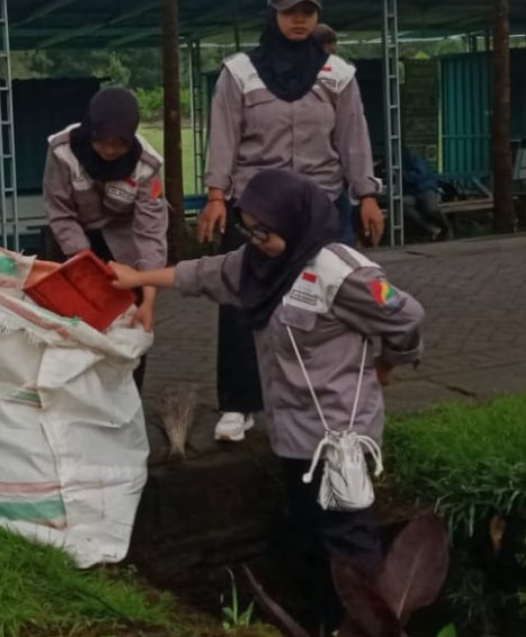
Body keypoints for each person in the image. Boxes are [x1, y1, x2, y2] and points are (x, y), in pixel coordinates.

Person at [110, 170, 424, 632]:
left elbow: (407, 315)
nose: (257, 240)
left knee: (348, 543)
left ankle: (370, 628)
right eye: (249, 229)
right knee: (308, 540)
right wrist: (138, 276)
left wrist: (387, 366)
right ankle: (325, 623)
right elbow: (202, 273)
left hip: (339, 439)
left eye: (266, 231)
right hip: (293, 438)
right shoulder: (257, 265)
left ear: (295, 220)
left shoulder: (341, 272)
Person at [197, 0, 384, 442]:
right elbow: (223, 137)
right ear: (273, 15)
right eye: (289, 12)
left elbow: (353, 138)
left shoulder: (337, 75)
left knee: (329, 301)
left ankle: (329, 399)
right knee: (244, 296)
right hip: (258, 207)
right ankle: (239, 405)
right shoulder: (239, 72)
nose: (299, 20)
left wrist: (367, 195)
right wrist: (217, 195)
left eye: (308, 12)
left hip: (321, 207)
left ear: (317, 15)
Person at [40, 87, 168, 390]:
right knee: (71, 319)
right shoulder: (61, 149)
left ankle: (127, 397)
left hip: (124, 244)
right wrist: (87, 265)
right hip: (71, 241)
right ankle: (70, 395)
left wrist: (148, 298)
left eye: (119, 144)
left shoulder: (147, 166)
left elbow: (150, 234)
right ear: (89, 129)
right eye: (102, 141)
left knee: (129, 320)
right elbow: (59, 212)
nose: (109, 151)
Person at [313, 23, 361, 249]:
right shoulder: (330, 79)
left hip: (330, 172)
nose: (334, 51)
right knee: (340, 231)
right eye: (331, 46)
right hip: (327, 172)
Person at [402, 147, 453, 240]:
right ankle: (431, 229)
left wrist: (400, 174)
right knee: (401, 205)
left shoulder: (413, 156)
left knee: (429, 207)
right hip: (411, 192)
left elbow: (419, 175)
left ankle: (447, 228)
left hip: (425, 188)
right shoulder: (392, 159)